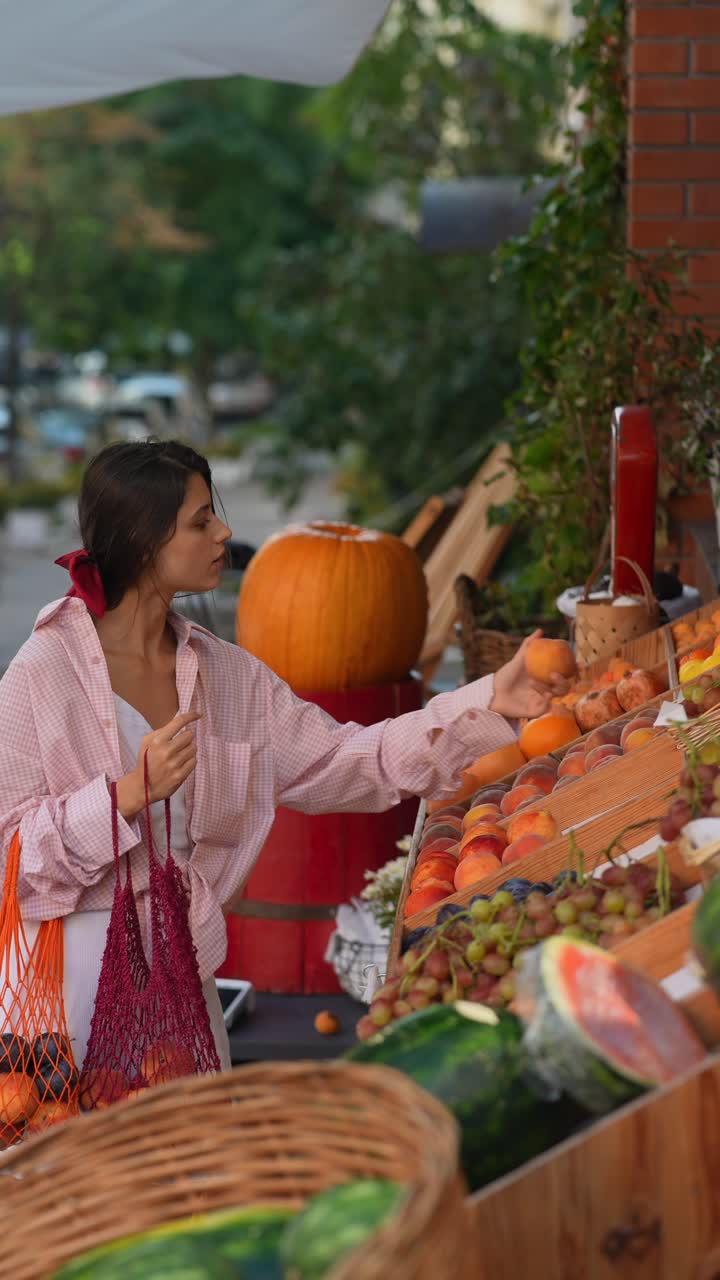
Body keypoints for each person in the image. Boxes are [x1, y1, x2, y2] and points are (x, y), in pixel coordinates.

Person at [0, 440, 568, 1069]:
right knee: (78, 1165)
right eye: (200, 522)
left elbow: (353, 760)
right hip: (65, 1000)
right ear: (141, 541)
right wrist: (125, 797)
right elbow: (9, 856)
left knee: (196, 1164)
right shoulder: (41, 674)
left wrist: (490, 699)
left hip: (183, 991)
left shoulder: (227, 678)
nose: (225, 531)